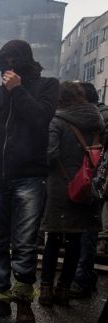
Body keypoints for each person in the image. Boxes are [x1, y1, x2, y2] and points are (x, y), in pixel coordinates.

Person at [0, 40, 59, 323]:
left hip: (30, 178)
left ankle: (23, 301)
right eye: (4, 63)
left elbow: (40, 120)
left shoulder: (47, 87)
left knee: (24, 243)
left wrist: (18, 90)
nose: (8, 67)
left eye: (14, 61)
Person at [38, 81, 104, 307]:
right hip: (88, 188)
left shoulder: (57, 121)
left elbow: (50, 154)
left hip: (61, 188)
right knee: (75, 241)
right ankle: (64, 290)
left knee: (54, 240)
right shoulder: (98, 121)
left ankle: (46, 290)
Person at [69, 82, 108, 299]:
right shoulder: (99, 114)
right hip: (94, 179)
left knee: (86, 230)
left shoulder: (96, 117)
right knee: (88, 229)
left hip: (91, 180)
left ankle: (82, 278)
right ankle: (86, 276)